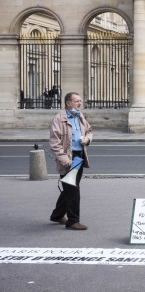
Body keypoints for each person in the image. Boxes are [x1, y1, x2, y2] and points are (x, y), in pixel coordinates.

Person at [49, 92, 92, 230]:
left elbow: (89, 130)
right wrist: (64, 159)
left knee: (70, 187)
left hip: (79, 156)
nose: (79, 103)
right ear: (68, 103)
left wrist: (87, 139)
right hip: (69, 158)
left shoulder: (79, 116)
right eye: (77, 101)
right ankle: (73, 221)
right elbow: (55, 143)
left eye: (80, 101)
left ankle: (57, 215)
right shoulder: (59, 119)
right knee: (73, 190)